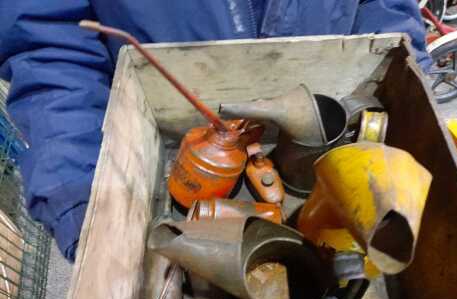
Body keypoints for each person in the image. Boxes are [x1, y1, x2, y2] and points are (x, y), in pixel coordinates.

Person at [0, 0, 430, 262]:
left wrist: (415, 110)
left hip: (312, 163)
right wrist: (79, 194)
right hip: (188, 161)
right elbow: (47, 47)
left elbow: (390, 15)